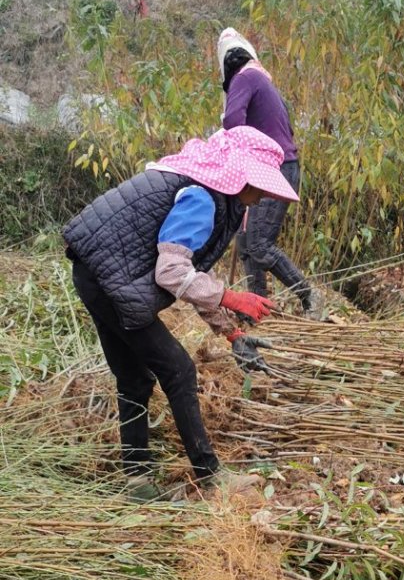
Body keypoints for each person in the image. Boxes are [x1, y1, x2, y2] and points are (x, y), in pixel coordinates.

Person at [63, 125, 298, 489]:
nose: (264, 194)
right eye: (261, 184)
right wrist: (232, 297)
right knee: (180, 371)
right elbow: (171, 272)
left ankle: (137, 478)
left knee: (134, 376)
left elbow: (192, 273)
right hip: (109, 278)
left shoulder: (206, 188)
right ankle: (210, 476)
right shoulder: (202, 198)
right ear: (240, 176)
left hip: (95, 273)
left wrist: (232, 332)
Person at [218, 27, 312, 313]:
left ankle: (309, 296)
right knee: (246, 243)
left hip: (275, 169)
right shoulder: (261, 81)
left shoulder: (244, 78)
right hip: (275, 168)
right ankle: (260, 309)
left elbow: (233, 121)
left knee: (258, 244)